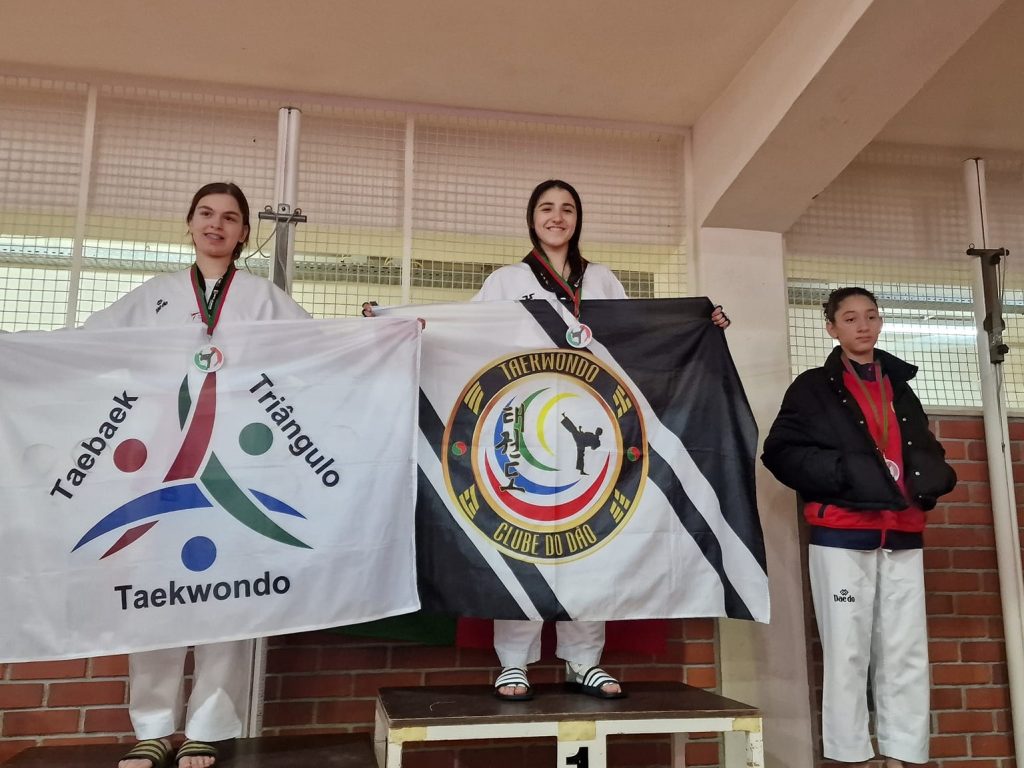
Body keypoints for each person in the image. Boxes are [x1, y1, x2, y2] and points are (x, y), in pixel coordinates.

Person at [473, 179, 730, 701]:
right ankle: (514, 662)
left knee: (588, 544)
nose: (557, 217)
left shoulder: (604, 280)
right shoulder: (507, 280)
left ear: (578, 220)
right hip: (522, 421)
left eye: (567, 209)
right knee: (520, 538)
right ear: (531, 218)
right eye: (546, 208)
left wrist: (699, 324)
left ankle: (584, 660)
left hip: (590, 427)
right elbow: (468, 330)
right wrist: (404, 324)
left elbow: (640, 337)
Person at [85, 182, 310, 768]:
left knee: (228, 595)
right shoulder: (153, 295)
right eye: (206, 214)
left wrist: (383, 333)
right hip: (161, 465)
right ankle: (153, 728)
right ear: (189, 223)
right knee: (153, 596)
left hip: (237, 469)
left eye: (230, 218)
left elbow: (318, 348)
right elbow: (88, 343)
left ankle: (210, 724)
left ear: (242, 234)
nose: (217, 225)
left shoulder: (264, 298)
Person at [761, 287, 956, 767]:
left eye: (871, 316)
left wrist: (932, 475)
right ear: (832, 328)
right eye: (850, 319)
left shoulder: (900, 384)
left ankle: (905, 753)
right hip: (842, 534)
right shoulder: (812, 387)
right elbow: (780, 452)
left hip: (903, 532)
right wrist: (843, 476)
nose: (863, 326)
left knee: (906, 650)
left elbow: (918, 447)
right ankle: (851, 757)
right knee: (847, 653)